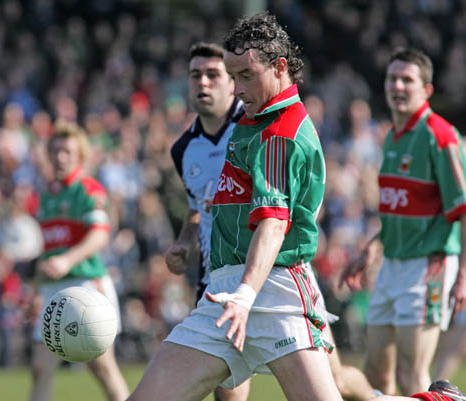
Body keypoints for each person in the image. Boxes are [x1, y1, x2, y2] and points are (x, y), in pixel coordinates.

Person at [127, 12, 343, 401]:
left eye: (245, 75)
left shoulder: (280, 132)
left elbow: (274, 225)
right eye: (233, 74)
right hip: (223, 292)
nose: (236, 87)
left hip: (274, 292)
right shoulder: (251, 117)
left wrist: (245, 295)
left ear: (279, 67)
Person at [340, 47, 466, 396]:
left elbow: (463, 210)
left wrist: (464, 276)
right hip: (391, 266)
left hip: (429, 265)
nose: (397, 85)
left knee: (414, 374)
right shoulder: (393, 137)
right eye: (392, 78)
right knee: (376, 373)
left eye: (407, 79)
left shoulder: (440, 136)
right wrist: (370, 249)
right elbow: (400, 211)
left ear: (426, 89)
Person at [166, 42, 248, 401]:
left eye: (213, 75)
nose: (203, 82)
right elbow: (197, 207)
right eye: (195, 75)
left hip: (272, 275)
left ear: (233, 82)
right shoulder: (183, 149)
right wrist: (185, 240)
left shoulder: (256, 125)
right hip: (217, 282)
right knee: (226, 391)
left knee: (334, 385)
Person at [29, 122, 129, 401]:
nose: (61, 157)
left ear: (79, 157)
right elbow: (49, 248)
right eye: (56, 151)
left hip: (87, 284)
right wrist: (37, 287)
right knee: (40, 367)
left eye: (67, 152)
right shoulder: (47, 194)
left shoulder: (89, 189)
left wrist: (66, 260)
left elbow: (100, 235)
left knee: (102, 366)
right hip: (52, 289)